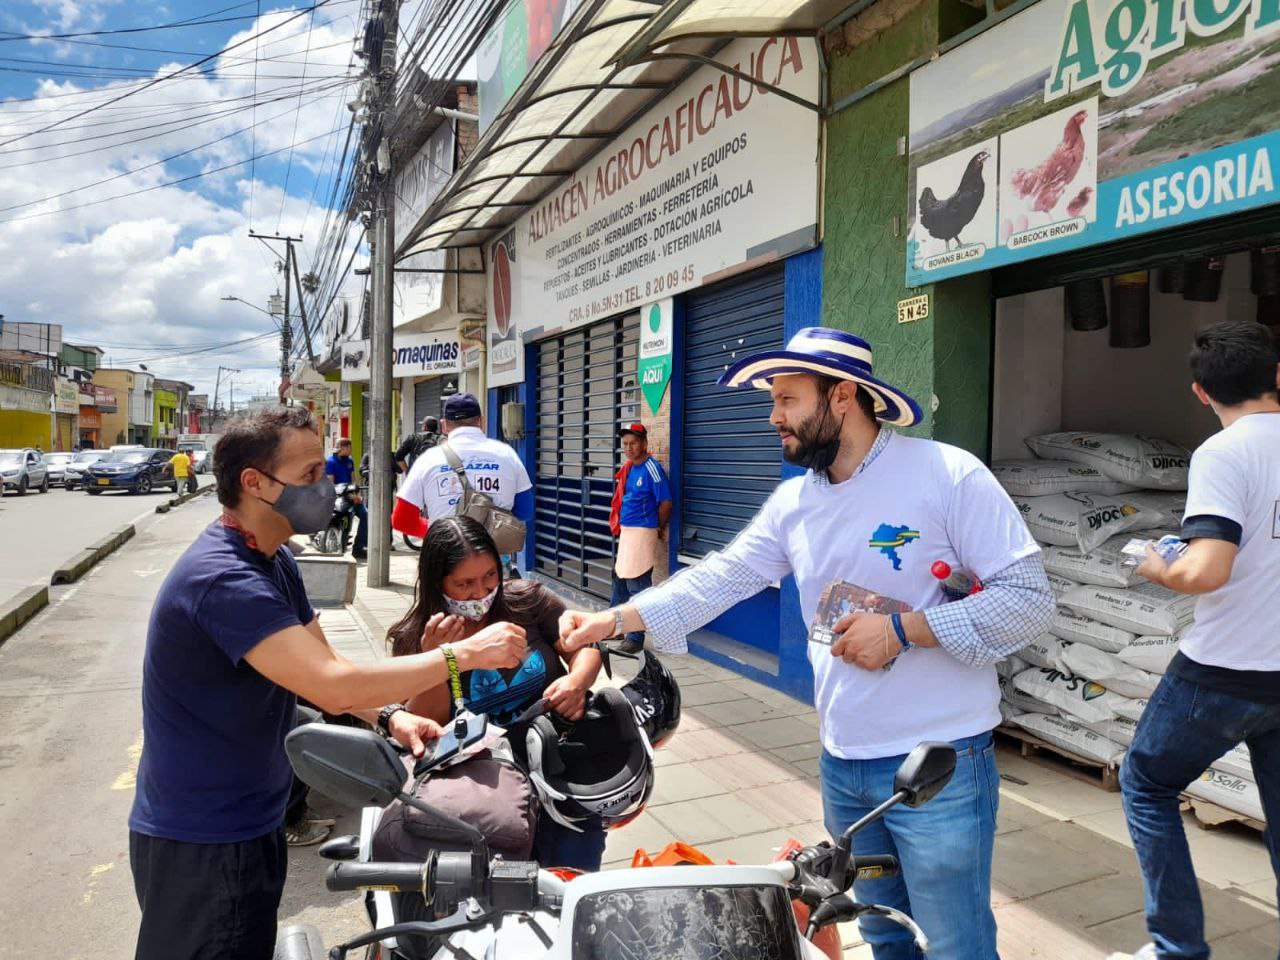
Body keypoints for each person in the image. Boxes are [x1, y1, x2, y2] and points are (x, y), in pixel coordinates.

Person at [558, 326, 1055, 960]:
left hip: (939, 766)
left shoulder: (945, 475)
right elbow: (723, 576)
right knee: (878, 929)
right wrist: (616, 618)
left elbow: (1029, 601)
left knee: (954, 944)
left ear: (843, 395)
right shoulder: (795, 502)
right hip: (844, 764)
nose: (774, 418)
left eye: (788, 399)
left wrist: (904, 630)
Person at [128, 406, 527, 960]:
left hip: (251, 820)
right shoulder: (224, 579)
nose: (328, 486)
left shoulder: (273, 560)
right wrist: (461, 655)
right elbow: (333, 686)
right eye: (310, 474)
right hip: (202, 837)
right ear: (254, 483)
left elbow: (323, 665)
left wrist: (390, 715)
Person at [1110, 322, 1280, 960]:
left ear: (1201, 393)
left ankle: (1176, 948)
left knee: (1147, 783)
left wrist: (1158, 564)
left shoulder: (1224, 452)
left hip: (1223, 672)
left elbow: (1206, 570)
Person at [387, 515, 606, 870]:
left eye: (490, 576)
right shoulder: (415, 638)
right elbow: (428, 724)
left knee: (570, 877)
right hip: (481, 793)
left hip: (558, 771)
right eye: (464, 584)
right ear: (436, 583)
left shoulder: (528, 600)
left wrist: (577, 681)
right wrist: (437, 661)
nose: (481, 593)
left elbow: (584, 645)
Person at [392, 393, 533, 543]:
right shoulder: (508, 455)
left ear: (444, 425)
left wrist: (439, 532)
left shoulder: (428, 459)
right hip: (492, 558)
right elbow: (525, 511)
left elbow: (401, 520)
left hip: (445, 557)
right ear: (481, 422)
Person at [609, 423, 672, 653]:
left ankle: (635, 638)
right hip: (627, 531)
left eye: (633, 443)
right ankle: (615, 627)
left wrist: (657, 527)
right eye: (625, 444)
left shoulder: (651, 468)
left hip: (643, 531)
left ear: (644, 443)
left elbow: (666, 501)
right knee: (620, 578)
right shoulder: (629, 468)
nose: (628, 447)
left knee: (637, 583)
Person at [325, 438, 367, 560]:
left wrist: (357, 495)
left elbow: (353, 480)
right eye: (349, 447)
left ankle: (358, 548)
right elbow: (330, 483)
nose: (351, 450)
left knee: (365, 515)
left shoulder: (350, 461)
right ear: (343, 448)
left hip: (350, 496)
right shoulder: (331, 462)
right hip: (337, 497)